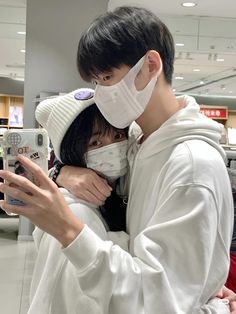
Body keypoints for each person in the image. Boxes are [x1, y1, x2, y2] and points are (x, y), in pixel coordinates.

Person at [0, 5, 235, 313]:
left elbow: (160, 301)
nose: (101, 92)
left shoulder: (191, 165)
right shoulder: (138, 140)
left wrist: (210, 305)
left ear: (150, 65)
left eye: (108, 77)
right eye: (96, 81)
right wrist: (63, 171)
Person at [28, 88, 130, 313]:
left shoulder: (112, 194)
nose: (112, 148)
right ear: (74, 152)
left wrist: (58, 171)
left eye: (117, 136)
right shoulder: (76, 215)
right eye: (95, 143)